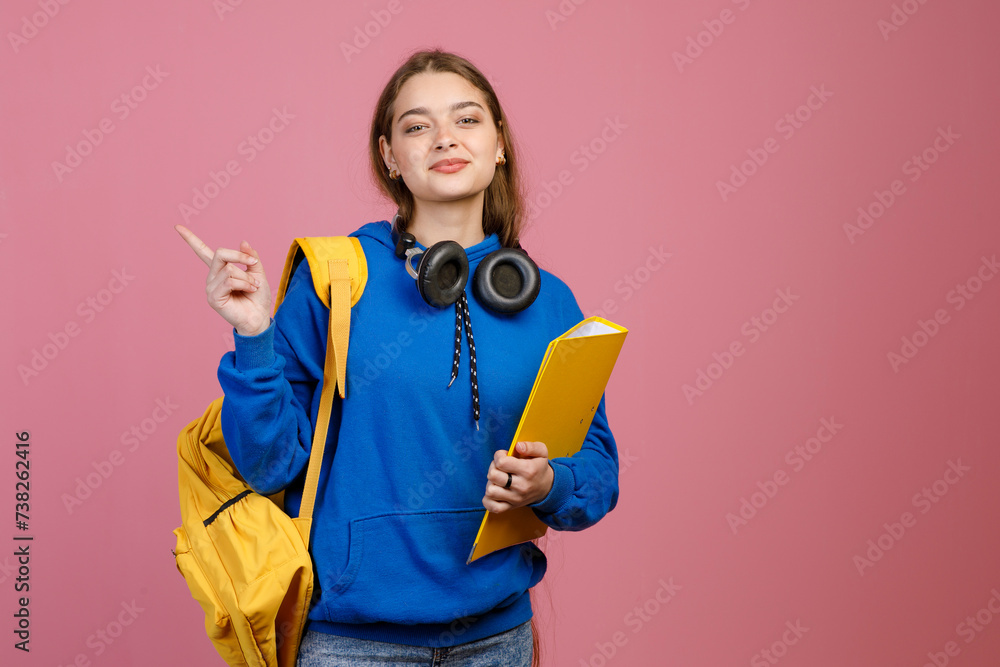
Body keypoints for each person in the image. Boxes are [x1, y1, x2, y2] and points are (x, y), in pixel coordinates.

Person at [176, 49, 619, 667]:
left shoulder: (550, 303)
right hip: (352, 645)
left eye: (467, 120)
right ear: (389, 156)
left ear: (499, 146)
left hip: (498, 640)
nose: (444, 138)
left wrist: (549, 482)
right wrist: (253, 336)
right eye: (417, 125)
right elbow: (268, 464)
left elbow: (597, 473)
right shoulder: (336, 279)